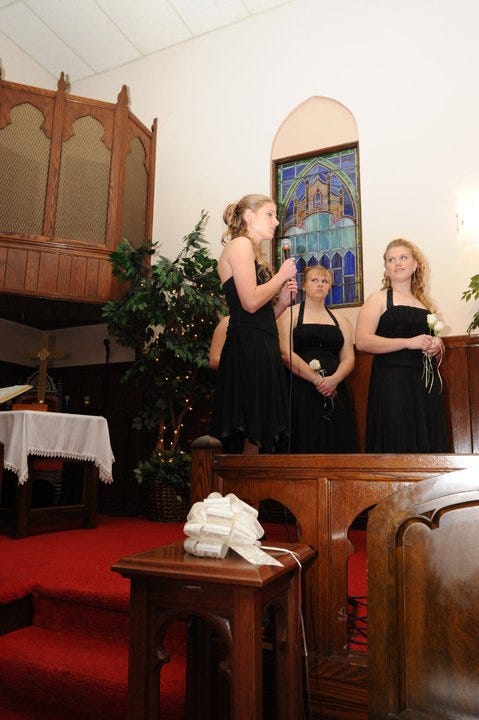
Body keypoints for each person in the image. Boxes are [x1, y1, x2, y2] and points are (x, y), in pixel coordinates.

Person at [210, 194, 297, 454]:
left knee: (258, 432)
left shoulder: (255, 253)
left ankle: (250, 481)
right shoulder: (240, 245)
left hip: (262, 343)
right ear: (249, 216)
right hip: (247, 347)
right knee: (248, 428)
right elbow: (249, 303)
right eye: (270, 214)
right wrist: (281, 276)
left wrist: (282, 303)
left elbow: (259, 316)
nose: (276, 221)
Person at [355, 238, 448, 452]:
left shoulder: (425, 305)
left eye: (403, 257)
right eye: (391, 260)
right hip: (392, 381)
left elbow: (434, 352)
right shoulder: (378, 299)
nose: (397, 263)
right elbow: (362, 341)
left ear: (415, 265)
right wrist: (408, 342)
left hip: (424, 383)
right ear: (386, 268)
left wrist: (437, 347)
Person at [277, 265, 357, 453]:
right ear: (304, 285)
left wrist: (334, 380)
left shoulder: (341, 320)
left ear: (329, 287)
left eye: (325, 281)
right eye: (314, 280)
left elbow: (348, 357)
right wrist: (317, 380)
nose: (320, 284)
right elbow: (285, 353)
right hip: (300, 389)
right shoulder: (289, 314)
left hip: (334, 389)